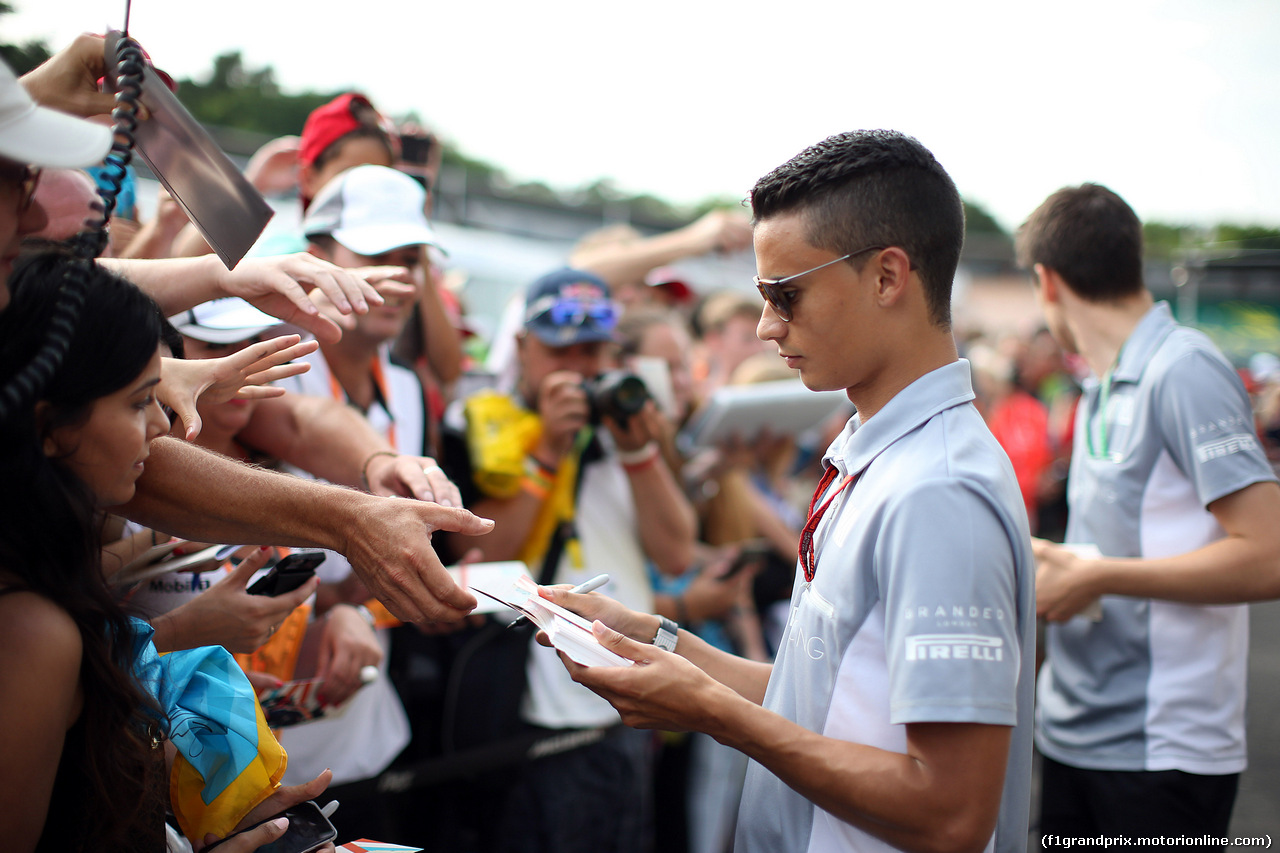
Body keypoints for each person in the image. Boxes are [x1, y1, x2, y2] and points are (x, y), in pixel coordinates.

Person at [545, 130, 1036, 853]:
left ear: (888, 277)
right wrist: (664, 641)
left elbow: (951, 811)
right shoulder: (877, 447)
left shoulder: (942, 491)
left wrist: (716, 712)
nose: (767, 326)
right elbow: (826, 693)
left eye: (787, 294)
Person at [3, 40, 495, 625]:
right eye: (16, 186)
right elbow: (147, 467)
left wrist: (374, 467)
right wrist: (172, 636)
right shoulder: (34, 631)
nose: (157, 422)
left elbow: (292, 418)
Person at [0, 251, 333, 852]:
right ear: (49, 426)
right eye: (138, 401)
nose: (162, 427)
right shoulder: (31, 629)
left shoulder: (46, 578)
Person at [1017, 184, 1280, 839]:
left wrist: (1097, 577)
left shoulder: (1183, 366)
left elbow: (1269, 553)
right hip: (1077, 729)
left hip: (1160, 749)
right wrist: (1057, 561)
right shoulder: (1103, 379)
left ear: (1048, 281)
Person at [438, 267, 698, 853]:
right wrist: (549, 450)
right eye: (564, 352)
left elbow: (677, 553)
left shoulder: (621, 427)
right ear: (524, 348)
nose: (582, 370)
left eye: (594, 353)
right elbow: (476, 555)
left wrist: (638, 451)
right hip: (527, 713)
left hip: (626, 708)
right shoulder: (479, 425)